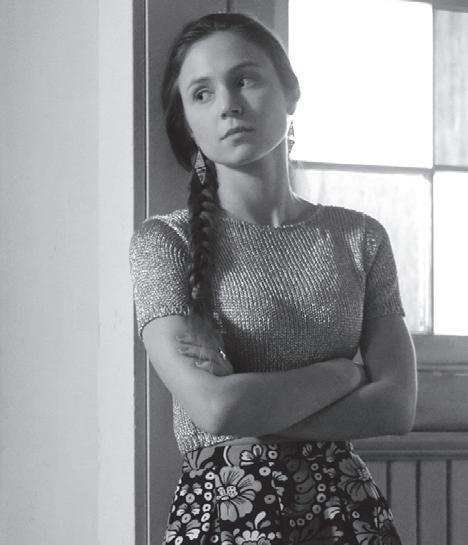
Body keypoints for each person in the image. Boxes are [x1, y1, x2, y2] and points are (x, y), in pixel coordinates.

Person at [129, 12, 417, 545]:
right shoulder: (164, 242)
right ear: (187, 123)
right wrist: (343, 374)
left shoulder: (360, 237)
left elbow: (397, 406)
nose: (228, 105)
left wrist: (257, 406)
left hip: (347, 511)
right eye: (201, 94)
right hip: (226, 511)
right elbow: (216, 409)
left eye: (245, 79)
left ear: (290, 93)